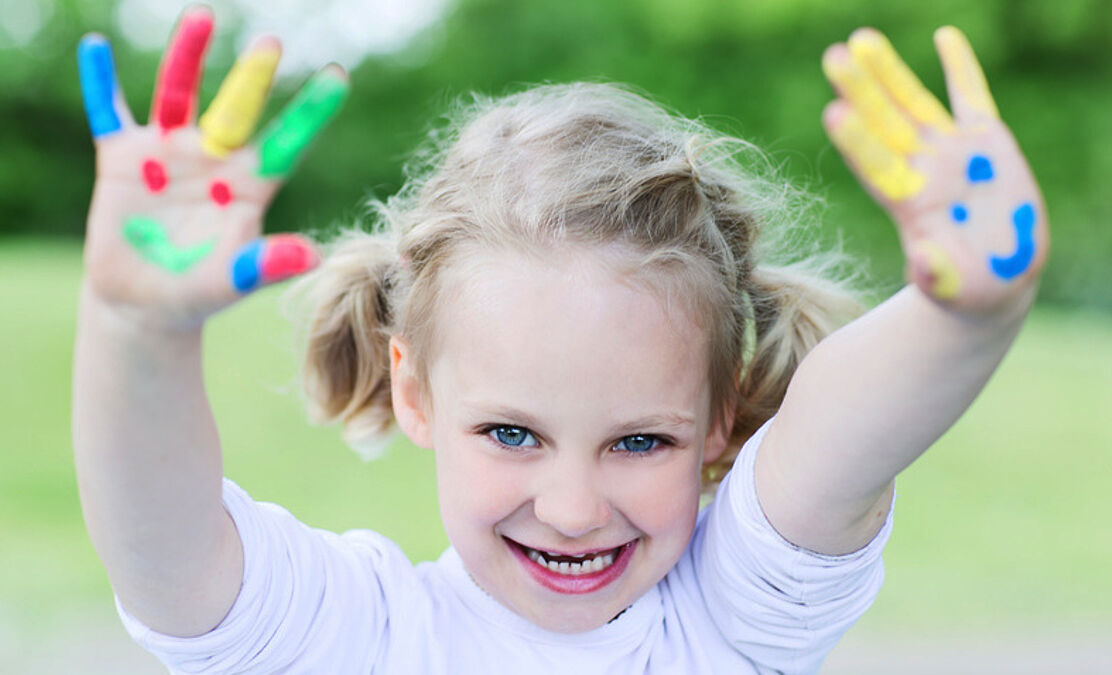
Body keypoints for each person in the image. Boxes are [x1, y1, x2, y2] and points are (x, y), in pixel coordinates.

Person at [72, 6, 1048, 673]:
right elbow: (167, 551)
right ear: (414, 392)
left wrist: (964, 314)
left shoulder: (729, 620)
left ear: (721, 419)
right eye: (511, 433)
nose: (574, 511)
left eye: (639, 440)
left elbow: (843, 435)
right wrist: (134, 329)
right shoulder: (362, 634)